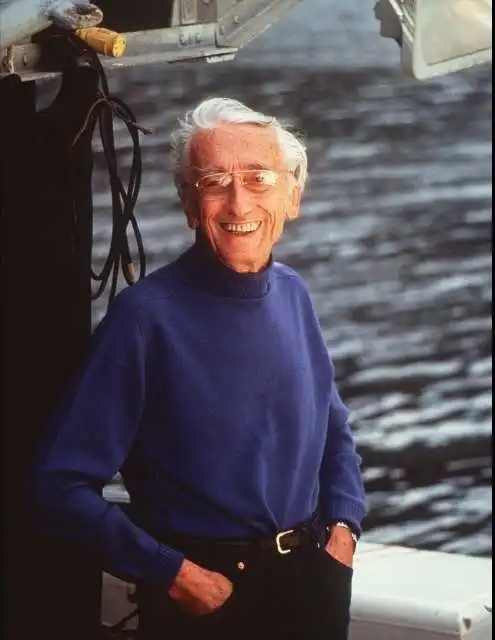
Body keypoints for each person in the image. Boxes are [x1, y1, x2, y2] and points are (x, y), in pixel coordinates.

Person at [32, 97, 367, 640]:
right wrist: (172, 573)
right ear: (190, 205)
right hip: (205, 599)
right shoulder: (144, 318)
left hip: (313, 583)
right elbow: (58, 487)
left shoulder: (294, 293)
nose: (238, 203)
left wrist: (344, 528)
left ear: (292, 196)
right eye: (214, 182)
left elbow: (335, 432)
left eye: (258, 178)